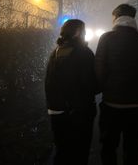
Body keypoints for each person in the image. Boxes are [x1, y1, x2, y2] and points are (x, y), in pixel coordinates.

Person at [95, 4, 138, 165]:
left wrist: (108, 87)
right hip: (137, 106)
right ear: (132, 19)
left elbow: (99, 71)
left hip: (111, 105)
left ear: (116, 18)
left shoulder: (106, 39)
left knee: (109, 148)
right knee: (132, 149)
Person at [45, 19, 97, 165]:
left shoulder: (54, 53)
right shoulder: (84, 53)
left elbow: (49, 83)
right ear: (78, 32)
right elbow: (91, 84)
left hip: (56, 111)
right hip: (79, 113)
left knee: (61, 151)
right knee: (80, 152)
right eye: (84, 31)